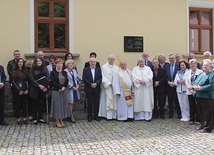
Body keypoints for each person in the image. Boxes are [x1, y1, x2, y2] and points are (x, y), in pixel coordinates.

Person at [193, 59, 214, 133]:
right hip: (198, 96)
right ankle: (202, 124)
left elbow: (212, 85)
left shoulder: (212, 74)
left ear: (210, 66)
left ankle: (208, 128)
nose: (204, 66)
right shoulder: (201, 74)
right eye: (204, 65)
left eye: (206, 65)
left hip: (207, 97)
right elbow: (195, 81)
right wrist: (194, 86)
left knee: (207, 113)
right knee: (200, 112)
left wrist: (201, 88)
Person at [50, 58, 69, 128]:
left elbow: (66, 81)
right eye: (58, 64)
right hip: (56, 91)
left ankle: (61, 120)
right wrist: (60, 87)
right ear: (55, 64)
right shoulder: (53, 72)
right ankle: (57, 121)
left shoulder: (64, 72)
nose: (60, 65)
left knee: (62, 106)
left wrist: (64, 87)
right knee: (57, 106)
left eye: (61, 64)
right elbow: (52, 82)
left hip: (63, 91)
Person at [29, 57, 49, 124]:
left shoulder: (44, 68)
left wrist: (45, 86)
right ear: (35, 62)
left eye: (40, 61)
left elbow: (47, 77)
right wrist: (38, 85)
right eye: (37, 61)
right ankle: (35, 118)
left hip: (43, 89)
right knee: (34, 104)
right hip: (35, 88)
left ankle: (40, 118)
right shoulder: (32, 69)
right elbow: (31, 78)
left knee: (41, 103)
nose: (39, 62)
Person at [99, 55, 118, 120]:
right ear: (108, 59)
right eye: (110, 59)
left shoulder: (116, 68)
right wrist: (109, 83)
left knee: (114, 101)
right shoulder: (104, 67)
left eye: (113, 59)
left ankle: (113, 116)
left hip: (114, 87)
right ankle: (106, 115)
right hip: (107, 87)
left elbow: (118, 77)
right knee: (107, 100)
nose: (111, 60)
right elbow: (102, 76)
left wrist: (115, 84)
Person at [83, 57, 102, 122]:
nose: (93, 63)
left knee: (97, 102)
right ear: (89, 62)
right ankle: (89, 116)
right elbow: (84, 78)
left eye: (94, 62)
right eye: (91, 61)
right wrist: (90, 84)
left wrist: (96, 83)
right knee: (89, 102)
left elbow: (100, 78)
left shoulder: (99, 69)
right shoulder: (85, 69)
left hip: (97, 88)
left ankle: (96, 116)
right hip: (89, 88)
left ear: (96, 62)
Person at [185, 59, 202, 124]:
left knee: (197, 105)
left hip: (197, 91)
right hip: (189, 91)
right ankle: (192, 119)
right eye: (191, 64)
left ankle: (198, 119)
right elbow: (186, 81)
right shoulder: (187, 72)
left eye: (194, 63)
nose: (193, 65)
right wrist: (189, 87)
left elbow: (200, 81)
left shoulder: (200, 72)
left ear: (196, 64)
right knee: (191, 105)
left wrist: (194, 88)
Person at [12, 58, 29, 125]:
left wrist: (27, 89)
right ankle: (18, 119)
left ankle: (24, 118)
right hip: (17, 91)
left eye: (22, 62)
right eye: (19, 62)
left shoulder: (25, 71)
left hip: (25, 90)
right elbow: (13, 82)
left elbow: (27, 81)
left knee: (24, 105)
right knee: (18, 105)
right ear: (17, 63)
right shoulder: (14, 71)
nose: (20, 63)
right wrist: (19, 90)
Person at [165, 54, 181, 119]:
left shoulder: (178, 66)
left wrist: (174, 83)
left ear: (175, 59)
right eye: (170, 58)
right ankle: (170, 113)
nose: (171, 59)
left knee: (177, 100)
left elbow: (180, 75)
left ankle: (179, 113)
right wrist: (168, 82)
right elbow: (165, 76)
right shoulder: (166, 66)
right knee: (170, 100)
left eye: (173, 58)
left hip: (176, 86)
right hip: (169, 86)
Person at [7, 50, 21, 116]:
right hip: (13, 82)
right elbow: (9, 71)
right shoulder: (10, 62)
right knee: (15, 97)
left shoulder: (22, 62)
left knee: (22, 98)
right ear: (14, 55)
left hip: (22, 83)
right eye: (16, 54)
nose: (17, 55)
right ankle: (15, 112)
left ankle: (21, 112)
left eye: (18, 54)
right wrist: (16, 75)